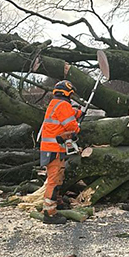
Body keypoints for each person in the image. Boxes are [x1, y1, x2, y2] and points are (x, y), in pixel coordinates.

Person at [38, 80, 83, 224]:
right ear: (67, 93)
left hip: (52, 148)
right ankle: (49, 213)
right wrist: (77, 127)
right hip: (54, 149)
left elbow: (68, 115)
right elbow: (71, 126)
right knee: (54, 180)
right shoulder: (63, 105)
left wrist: (78, 113)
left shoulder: (55, 104)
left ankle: (57, 201)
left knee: (58, 176)